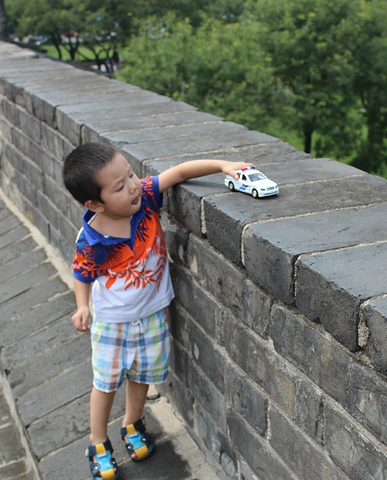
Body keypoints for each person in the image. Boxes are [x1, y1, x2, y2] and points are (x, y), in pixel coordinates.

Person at [62, 142, 252, 480]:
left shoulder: (146, 198)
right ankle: (98, 441)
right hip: (112, 323)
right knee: (105, 383)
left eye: (130, 174)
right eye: (119, 187)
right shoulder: (92, 239)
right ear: (95, 203)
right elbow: (82, 274)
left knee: (142, 376)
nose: (133, 186)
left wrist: (224, 165)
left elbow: (179, 172)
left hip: (151, 314)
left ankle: (132, 424)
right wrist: (81, 306)